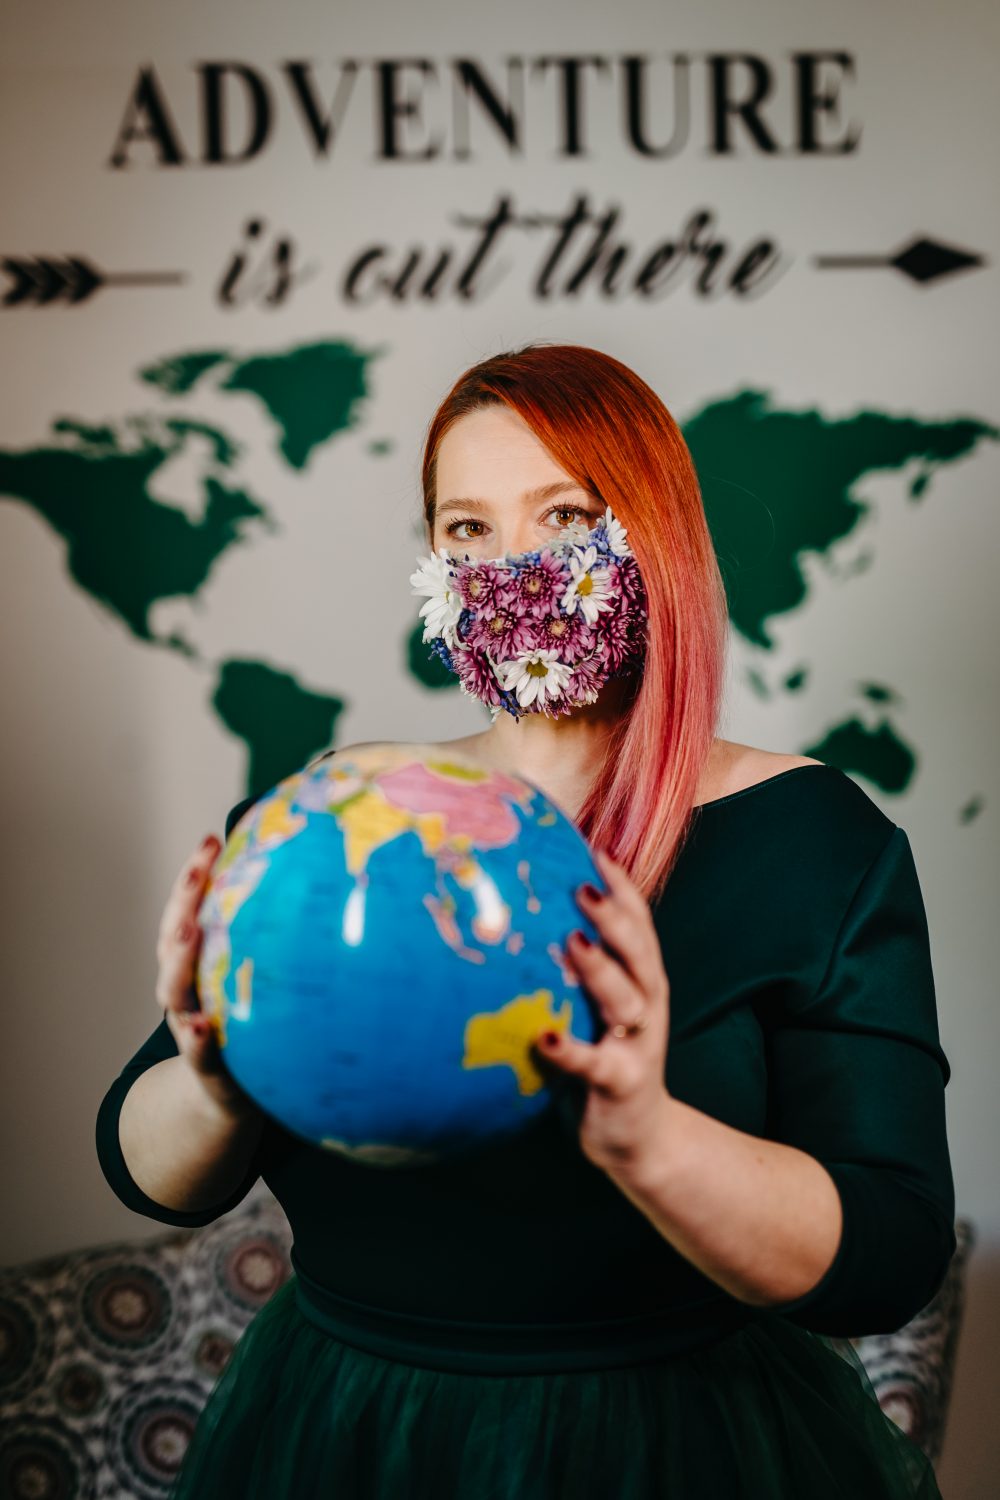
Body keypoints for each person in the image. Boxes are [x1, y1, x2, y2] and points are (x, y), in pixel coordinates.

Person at [96, 343, 956, 1499]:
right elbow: (147, 1171)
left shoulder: (815, 842)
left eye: (564, 516)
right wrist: (213, 1078)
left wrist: (650, 1139)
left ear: (656, 538)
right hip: (351, 1435)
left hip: (681, 1445)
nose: (511, 566)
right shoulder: (342, 819)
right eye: (468, 529)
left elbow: (891, 1253)